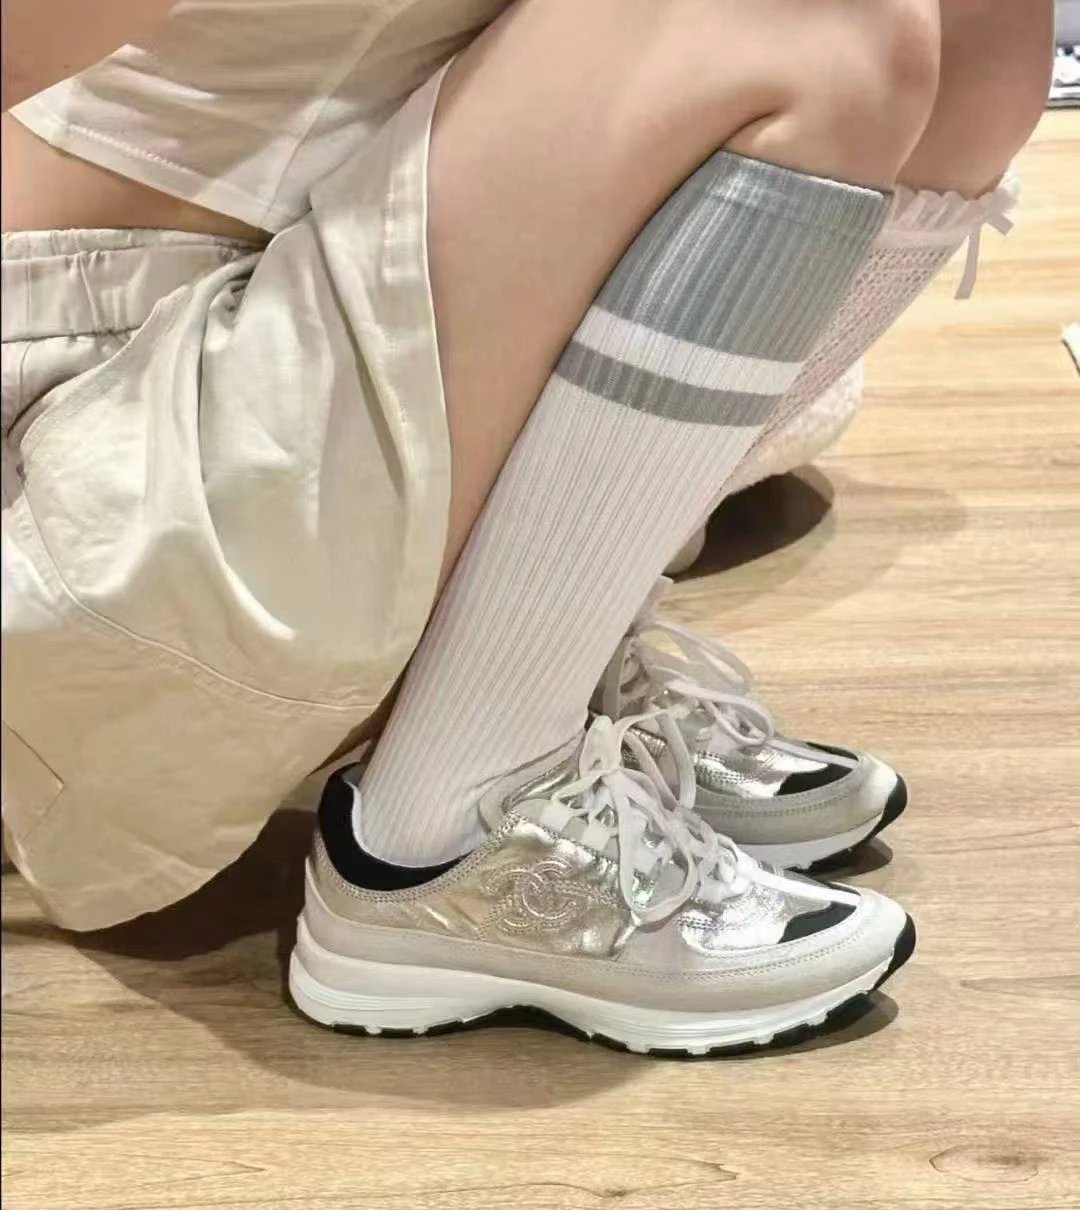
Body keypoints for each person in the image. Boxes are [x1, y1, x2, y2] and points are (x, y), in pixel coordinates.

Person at [1, 0, 1052, 1053]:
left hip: (261, 365)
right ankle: (450, 828)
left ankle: (544, 672)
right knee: (803, 17)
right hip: (98, 461)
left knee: (983, 40)